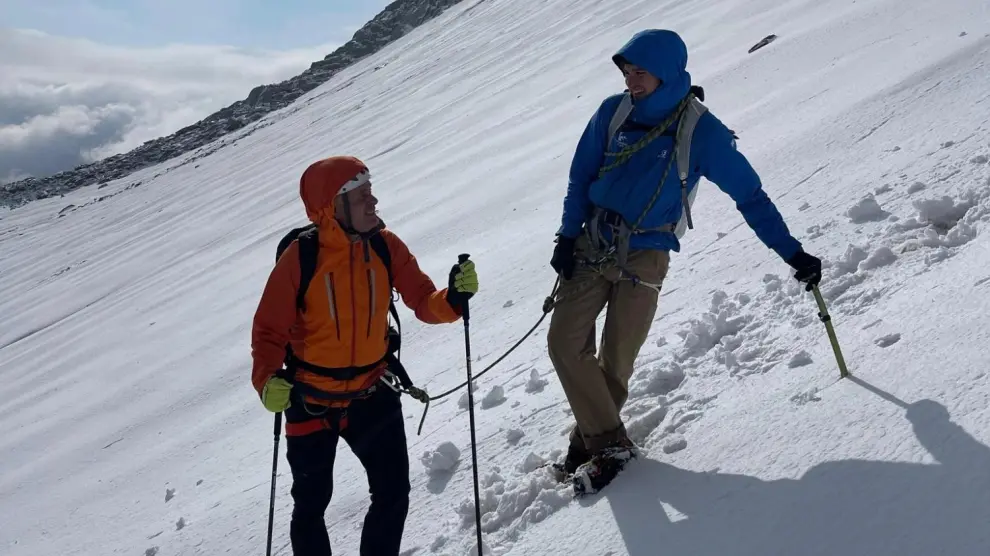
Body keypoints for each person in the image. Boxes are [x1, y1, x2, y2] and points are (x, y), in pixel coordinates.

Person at [547, 29, 823, 493]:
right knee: (564, 342)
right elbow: (580, 177)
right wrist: (566, 234)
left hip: (646, 255)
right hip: (592, 244)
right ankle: (606, 443)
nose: (631, 81)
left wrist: (791, 251)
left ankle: (593, 443)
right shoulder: (611, 113)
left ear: (668, 73)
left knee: (616, 360)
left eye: (641, 73)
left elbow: (749, 195)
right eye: (627, 71)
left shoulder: (702, 131)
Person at [250, 156, 479, 555]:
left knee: (393, 492)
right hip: (310, 400)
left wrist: (453, 299)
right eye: (361, 197)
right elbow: (268, 331)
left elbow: (424, 300)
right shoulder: (300, 259)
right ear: (331, 208)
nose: (373, 202)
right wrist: (267, 380)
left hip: (372, 393)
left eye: (371, 193)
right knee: (310, 508)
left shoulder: (385, 246)